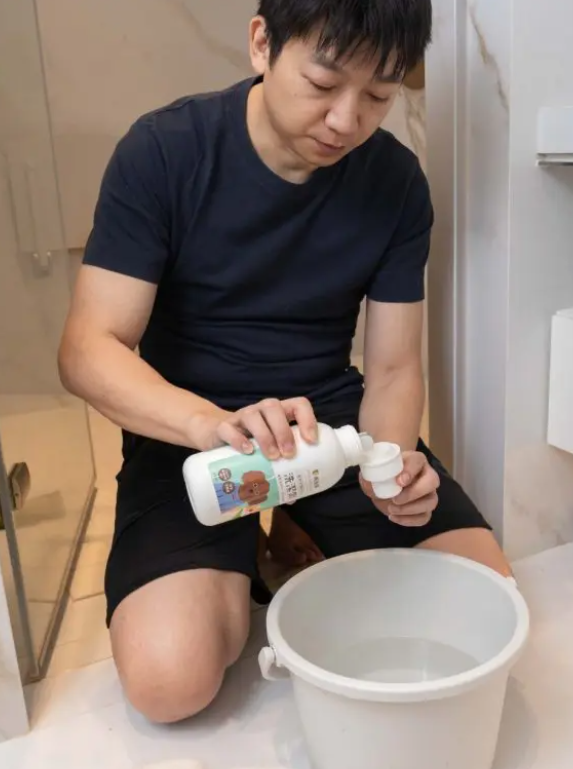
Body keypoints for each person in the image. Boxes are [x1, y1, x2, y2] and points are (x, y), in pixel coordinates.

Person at [57, 0, 512, 725]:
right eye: (324, 83)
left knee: (485, 603)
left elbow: (393, 370)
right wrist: (210, 427)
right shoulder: (164, 151)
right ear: (262, 43)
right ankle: (257, 544)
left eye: (379, 95)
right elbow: (88, 350)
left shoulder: (395, 183)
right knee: (170, 684)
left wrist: (391, 468)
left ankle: (293, 520)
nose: (345, 121)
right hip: (190, 428)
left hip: (327, 424)